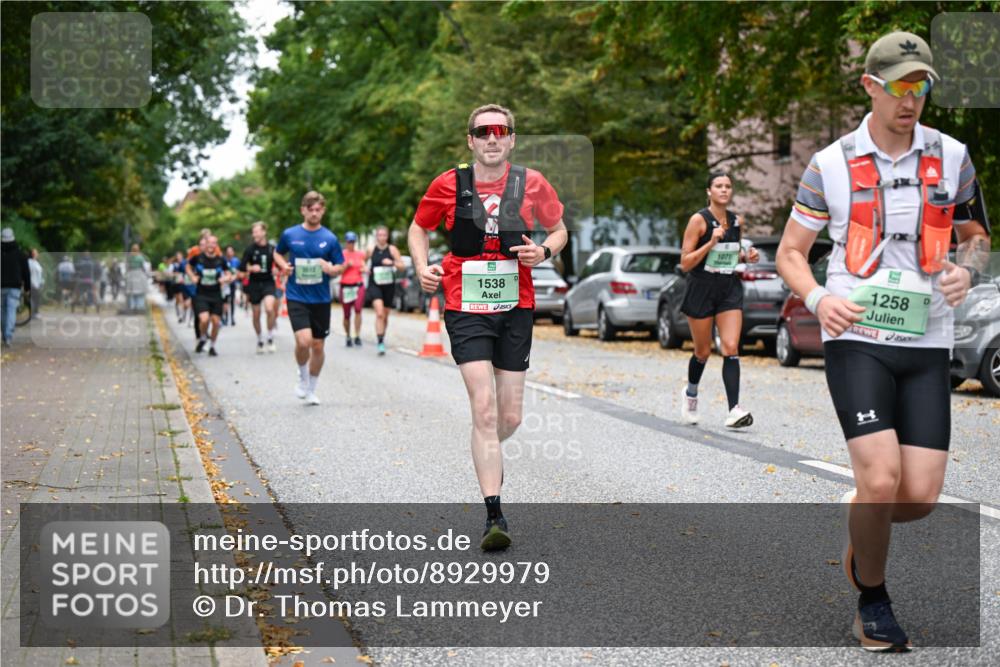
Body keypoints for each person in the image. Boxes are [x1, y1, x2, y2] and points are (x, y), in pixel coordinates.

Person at [776, 31, 991, 652]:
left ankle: (863, 516)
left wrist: (968, 271)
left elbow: (976, 236)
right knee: (879, 480)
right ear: (870, 86)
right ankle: (873, 601)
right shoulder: (830, 164)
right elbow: (791, 253)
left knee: (918, 496)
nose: (911, 98)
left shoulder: (953, 156)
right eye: (899, 85)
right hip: (857, 337)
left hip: (927, 340)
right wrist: (819, 299)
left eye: (921, 86)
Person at [408, 104, 567, 551]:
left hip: (516, 306)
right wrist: (422, 267)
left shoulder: (532, 182)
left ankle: (487, 452)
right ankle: (494, 513)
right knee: (484, 408)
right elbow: (418, 229)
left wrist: (544, 251)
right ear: (471, 140)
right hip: (465, 305)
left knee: (509, 417)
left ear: (512, 138)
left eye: (501, 131)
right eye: (483, 132)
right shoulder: (447, 183)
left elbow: (559, 230)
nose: (492, 138)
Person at [677, 172, 760, 428]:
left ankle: (734, 410)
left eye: (728, 186)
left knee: (731, 346)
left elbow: (730, 255)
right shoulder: (698, 220)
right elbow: (685, 263)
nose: (724, 190)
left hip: (728, 288)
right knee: (702, 351)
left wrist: (746, 257)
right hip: (701, 288)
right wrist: (710, 243)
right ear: (709, 191)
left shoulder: (736, 221)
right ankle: (691, 394)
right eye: (718, 186)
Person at [272, 191, 345, 405]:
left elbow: (340, 265)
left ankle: (311, 389)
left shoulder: (330, 238)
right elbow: (277, 253)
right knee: (304, 341)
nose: (314, 213)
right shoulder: (290, 234)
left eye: (318, 209)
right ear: (303, 210)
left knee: (318, 346)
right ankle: (303, 376)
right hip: (297, 295)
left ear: (323, 211)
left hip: (321, 298)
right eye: (310, 209)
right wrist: (283, 266)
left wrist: (330, 268)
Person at [187, 235, 234, 356]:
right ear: (205, 244)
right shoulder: (198, 258)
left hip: (216, 294)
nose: (211, 245)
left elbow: (229, 274)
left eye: (214, 243)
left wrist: (226, 278)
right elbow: (188, 266)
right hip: (201, 294)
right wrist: (192, 277)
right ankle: (203, 337)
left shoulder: (221, 260)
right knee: (204, 319)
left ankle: (212, 346)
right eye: (209, 243)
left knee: (216, 322)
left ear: (216, 245)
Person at [366, 225, 405, 355]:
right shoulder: (371, 249)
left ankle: (382, 335)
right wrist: (364, 268)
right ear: (376, 236)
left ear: (387, 236)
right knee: (379, 313)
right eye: (379, 235)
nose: (382, 237)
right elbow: (362, 261)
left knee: (385, 315)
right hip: (374, 284)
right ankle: (380, 342)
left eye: (384, 235)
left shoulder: (392, 250)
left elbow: (402, 266)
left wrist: (392, 263)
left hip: (388, 285)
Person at [241, 222, 279, 353]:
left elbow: (279, 264)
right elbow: (242, 267)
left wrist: (277, 270)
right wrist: (251, 268)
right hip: (254, 284)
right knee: (256, 314)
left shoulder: (272, 248)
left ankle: (270, 337)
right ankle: (259, 339)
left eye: (257, 232)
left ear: (264, 232)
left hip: (268, 282)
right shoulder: (250, 249)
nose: (254, 234)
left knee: (269, 308)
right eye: (253, 232)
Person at [1, 228, 30, 346]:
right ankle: (8, 336)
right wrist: (27, 287)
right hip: (14, 287)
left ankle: (4, 334)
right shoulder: (20, 254)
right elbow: (26, 272)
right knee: (11, 310)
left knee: (2, 311)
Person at [339, 231, 367, 347]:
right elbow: (338, 271)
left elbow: (363, 265)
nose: (351, 244)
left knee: (358, 310)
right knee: (346, 314)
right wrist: (346, 266)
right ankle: (348, 335)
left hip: (358, 285)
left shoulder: (360, 254)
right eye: (349, 242)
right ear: (346, 242)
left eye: (353, 242)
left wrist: (364, 269)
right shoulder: (341, 254)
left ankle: (357, 335)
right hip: (345, 286)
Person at [125, 244, 149, 312]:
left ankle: (132, 306)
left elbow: (127, 266)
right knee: (140, 292)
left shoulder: (129, 257)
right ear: (138, 249)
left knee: (131, 291)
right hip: (139, 274)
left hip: (131, 274)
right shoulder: (140, 257)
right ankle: (139, 306)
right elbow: (143, 267)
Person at [222, 245, 240, 326]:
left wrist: (234, 277)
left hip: (233, 283)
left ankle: (232, 317)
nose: (229, 253)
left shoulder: (236, 261)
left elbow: (239, 271)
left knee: (232, 301)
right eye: (228, 251)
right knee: (225, 301)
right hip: (225, 284)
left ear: (233, 252)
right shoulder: (223, 260)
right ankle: (225, 317)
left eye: (231, 251)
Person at [28, 248, 44, 316]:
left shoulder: (36, 262)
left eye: (37, 253)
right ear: (32, 254)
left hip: (37, 284)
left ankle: (35, 312)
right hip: (32, 283)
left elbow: (40, 273)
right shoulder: (29, 262)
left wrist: (41, 282)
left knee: (36, 299)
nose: (37, 254)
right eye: (35, 253)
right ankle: (34, 313)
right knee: (34, 299)